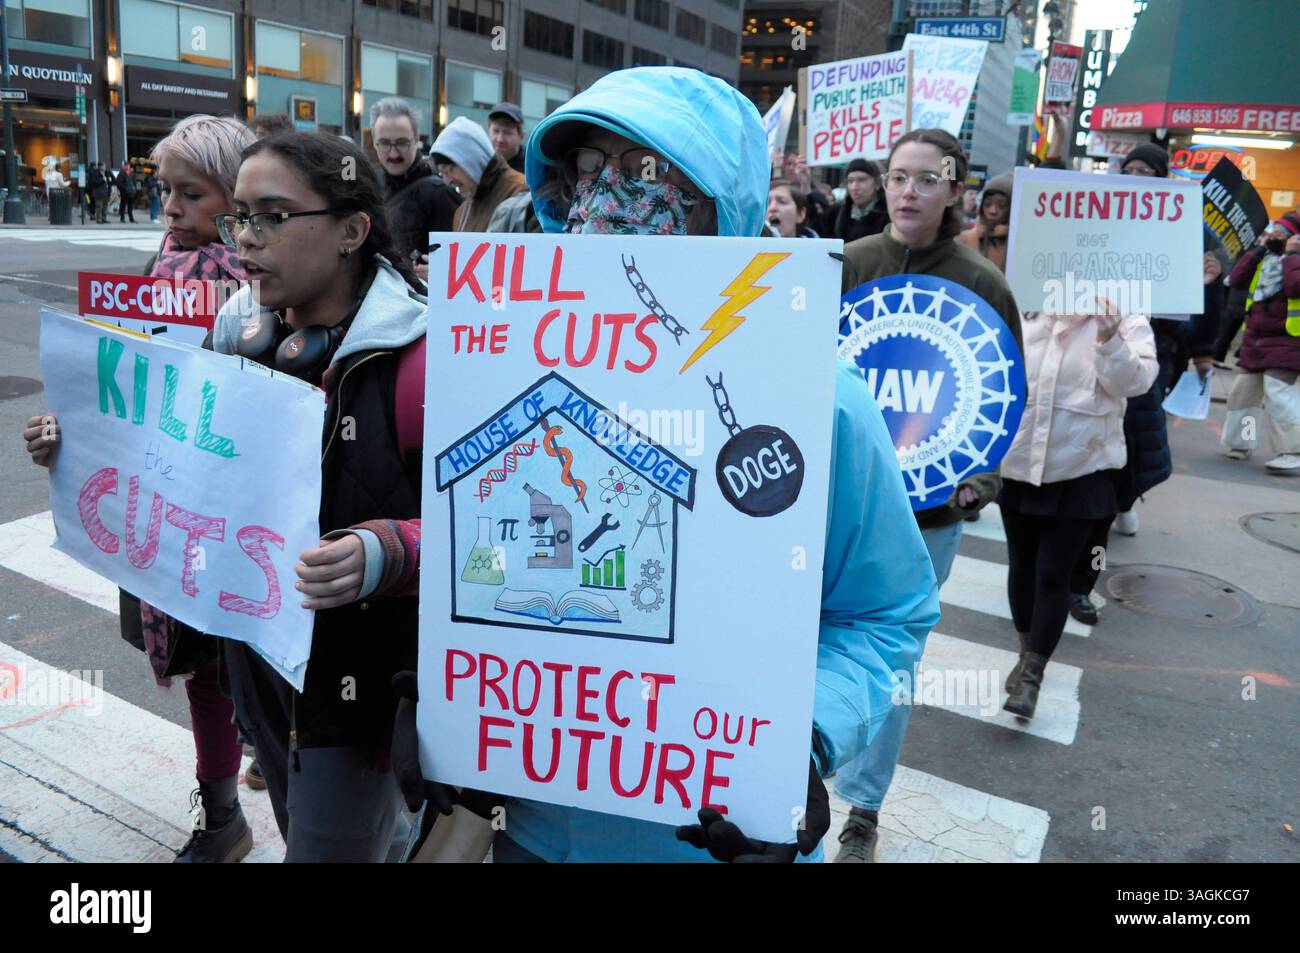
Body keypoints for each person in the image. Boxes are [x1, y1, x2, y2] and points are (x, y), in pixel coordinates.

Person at [390, 65, 939, 864]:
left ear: (729, 202)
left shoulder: (819, 397)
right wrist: (449, 700)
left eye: (650, 174)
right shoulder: (511, 367)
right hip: (535, 826)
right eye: (587, 171)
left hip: (710, 838)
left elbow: (886, 613)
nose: (609, 200)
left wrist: (803, 741)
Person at [22, 115, 256, 862]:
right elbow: (114, 390)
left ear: (237, 196)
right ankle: (222, 815)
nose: (172, 207)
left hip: (234, 519)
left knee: (242, 673)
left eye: (192, 193)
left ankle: (259, 792)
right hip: (161, 514)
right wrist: (67, 437)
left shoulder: (265, 284)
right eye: (165, 190)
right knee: (204, 672)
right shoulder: (159, 272)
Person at [206, 131, 427, 862]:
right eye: (239, 216)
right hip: (255, 656)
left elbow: (496, 535)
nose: (246, 239)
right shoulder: (235, 330)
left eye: (273, 215)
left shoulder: (424, 360)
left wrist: (389, 550)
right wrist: (78, 443)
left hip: (354, 692)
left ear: (352, 231)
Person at [833, 128, 1022, 861]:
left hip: (929, 516)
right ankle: (797, 775)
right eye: (897, 176)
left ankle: (864, 809)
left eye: (926, 179)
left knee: (890, 661)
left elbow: (1004, 403)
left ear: (955, 191)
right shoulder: (843, 265)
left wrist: (982, 480)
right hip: (832, 500)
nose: (908, 190)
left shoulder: (984, 284)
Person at [999, 289, 1157, 718]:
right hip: (1019, 463)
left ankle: (1033, 673)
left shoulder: (1124, 310)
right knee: (1023, 569)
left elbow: (1137, 383)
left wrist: (1110, 339)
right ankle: (1024, 651)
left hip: (1084, 469)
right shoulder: (1024, 302)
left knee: (1054, 575)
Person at [1220, 211, 1300, 473]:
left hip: (1288, 341)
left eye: (1283, 232)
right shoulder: (1266, 258)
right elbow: (1236, 279)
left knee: (1278, 394)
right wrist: (1259, 248)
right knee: (1244, 395)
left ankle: (1291, 450)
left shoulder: (1293, 260)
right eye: (1275, 230)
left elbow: (1295, 287)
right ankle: (1242, 443)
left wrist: (1292, 255)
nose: (1277, 236)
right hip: (1255, 339)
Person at [369, 97, 461, 281]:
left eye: (402, 143)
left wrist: (440, 273)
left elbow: (457, 268)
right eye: (385, 143)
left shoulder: (439, 194)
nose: (394, 153)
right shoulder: (369, 184)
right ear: (373, 141)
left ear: (416, 139)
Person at [430, 116, 534, 232]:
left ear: (472, 160)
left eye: (450, 169)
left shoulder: (522, 192)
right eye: (442, 173)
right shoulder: (462, 211)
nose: (447, 181)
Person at [956, 171, 1012, 273]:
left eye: (1002, 205)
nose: (993, 211)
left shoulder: (1019, 246)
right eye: (987, 204)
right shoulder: (963, 240)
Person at [827, 158, 888, 243]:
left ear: (877, 184)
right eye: (850, 181)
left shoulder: (889, 216)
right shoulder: (836, 213)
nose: (854, 187)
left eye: (861, 180)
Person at [487, 102, 526, 174]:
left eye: (507, 133)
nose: (500, 139)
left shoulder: (530, 172)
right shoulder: (480, 164)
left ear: (521, 136)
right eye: (496, 131)